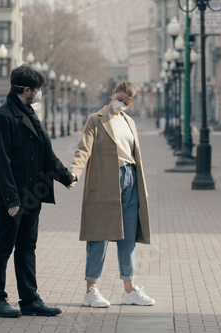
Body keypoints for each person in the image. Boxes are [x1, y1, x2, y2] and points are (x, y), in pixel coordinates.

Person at [0, 64, 75, 318]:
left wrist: (65, 177)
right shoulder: (2, 117)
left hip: (32, 196)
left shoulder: (30, 114)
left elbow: (47, 153)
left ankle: (29, 299)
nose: (39, 93)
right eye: (37, 89)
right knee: (3, 246)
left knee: (27, 247)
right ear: (26, 90)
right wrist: (11, 199)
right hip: (11, 199)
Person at [69, 81, 155, 308]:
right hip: (107, 182)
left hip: (130, 180)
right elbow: (83, 148)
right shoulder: (96, 120)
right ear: (113, 93)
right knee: (99, 236)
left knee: (128, 239)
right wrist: (74, 173)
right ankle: (91, 290)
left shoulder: (130, 122)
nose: (122, 105)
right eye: (120, 99)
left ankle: (129, 290)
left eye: (127, 103)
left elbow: (133, 154)